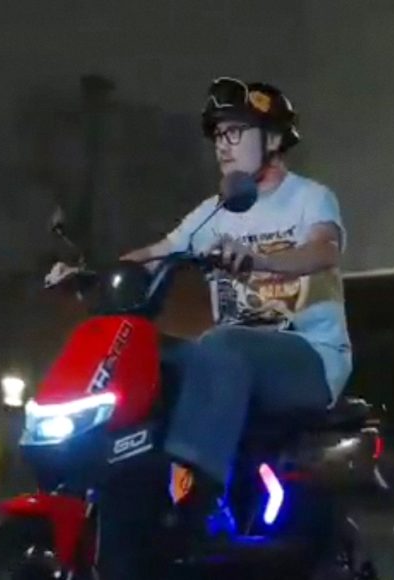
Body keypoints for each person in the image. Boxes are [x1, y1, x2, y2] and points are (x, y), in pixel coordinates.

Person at [118, 77, 353, 546]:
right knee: (149, 355)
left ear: (273, 139)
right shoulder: (214, 213)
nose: (221, 145)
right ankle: (128, 496)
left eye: (234, 132)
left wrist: (260, 260)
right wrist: (93, 272)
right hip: (231, 360)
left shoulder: (310, 198)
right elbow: (158, 253)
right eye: (217, 136)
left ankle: (197, 500)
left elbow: (323, 250)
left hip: (309, 356)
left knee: (221, 343)